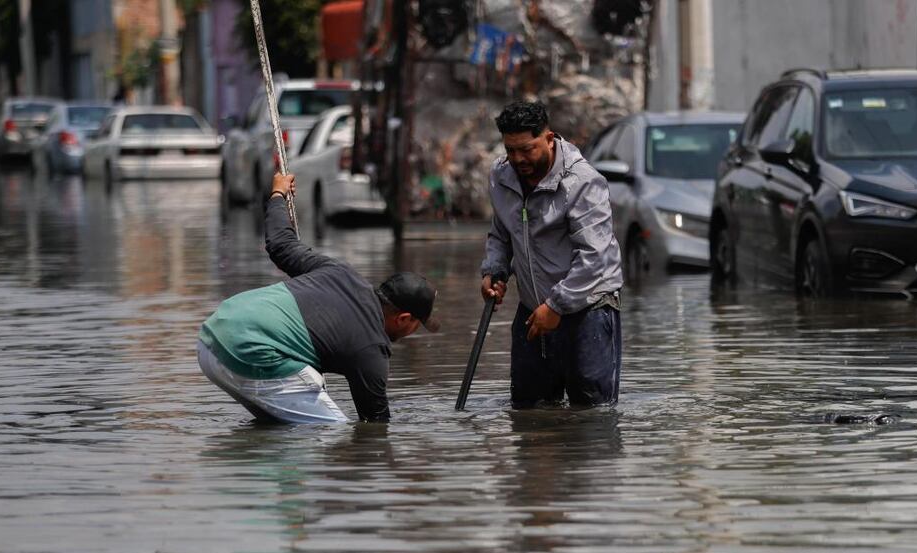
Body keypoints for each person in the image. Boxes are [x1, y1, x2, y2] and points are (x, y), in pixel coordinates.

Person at [197, 172, 439, 424]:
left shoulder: (340, 272)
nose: (413, 332)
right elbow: (376, 425)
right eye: (417, 325)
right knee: (332, 432)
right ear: (404, 318)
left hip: (212, 335)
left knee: (287, 415)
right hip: (244, 352)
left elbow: (281, 244)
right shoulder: (371, 350)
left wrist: (278, 193)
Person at [479, 100, 624, 408]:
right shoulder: (501, 176)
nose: (518, 159)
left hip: (588, 308)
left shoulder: (583, 182)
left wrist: (556, 306)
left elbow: (594, 257)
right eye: (511, 150)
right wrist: (495, 270)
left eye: (527, 149)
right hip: (534, 309)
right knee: (529, 410)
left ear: (549, 138)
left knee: (591, 415)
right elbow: (501, 233)